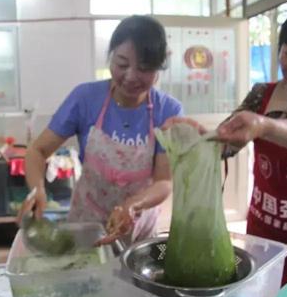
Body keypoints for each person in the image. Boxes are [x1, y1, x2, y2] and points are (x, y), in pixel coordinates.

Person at [164, 7, 287, 284]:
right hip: (266, 241)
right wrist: (204, 138)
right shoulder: (262, 95)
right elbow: (229, 139)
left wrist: (266, 126)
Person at [19, 15, 183, 245]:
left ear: (158, 68)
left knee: (131, 278)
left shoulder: (168, 110)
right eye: (122, 64)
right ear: (111, 57)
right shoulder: (85, 98)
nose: (130, 77)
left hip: (136, 226)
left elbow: (164, 181)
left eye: (144, 68)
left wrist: (132, 205)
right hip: (87, 222)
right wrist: (37, 190)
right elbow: (37, 151)